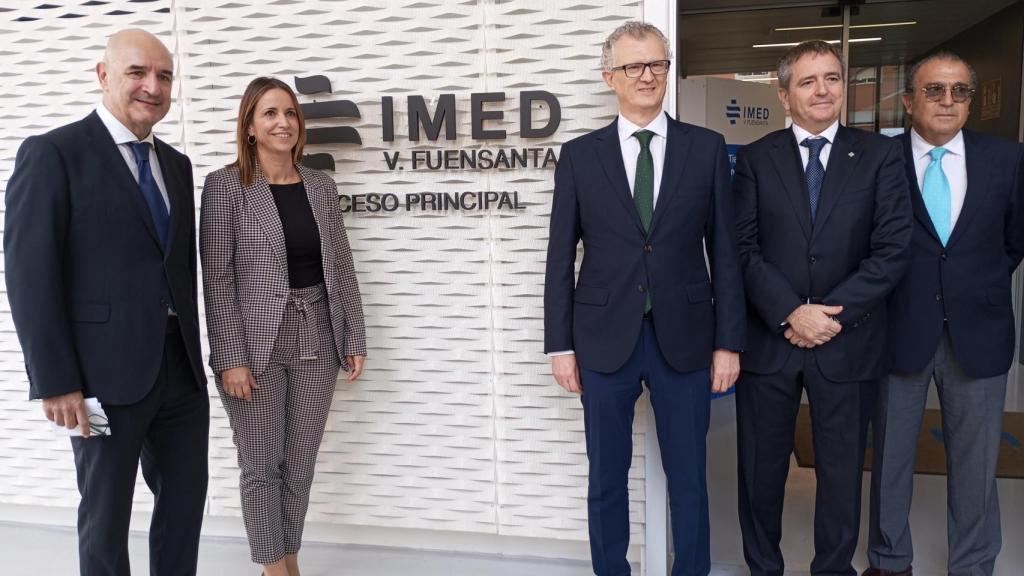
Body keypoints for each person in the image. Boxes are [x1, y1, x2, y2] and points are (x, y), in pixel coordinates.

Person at [3, 29, 209, 576]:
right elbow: (29, 274)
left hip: (181, 372)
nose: (153, 86)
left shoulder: (177, 166)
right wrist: (54, 379)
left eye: (164, 76)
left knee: (185, 510)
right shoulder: (53, 153)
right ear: (103, 75)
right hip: (100, 377)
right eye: (138, 72)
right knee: (105, 519)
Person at [543, 21, 745, 576]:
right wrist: (559, 346)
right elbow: (560, 256)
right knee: (606, 477)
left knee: (689, 478)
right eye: (633, 66)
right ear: (610, 77)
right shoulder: (580, 156)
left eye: (657, 63)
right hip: (603, 341)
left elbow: (725, 253)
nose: (647, 75)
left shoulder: (705, 149)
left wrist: (729, 342)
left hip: (687, 340)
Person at [732, 40, 913, 576]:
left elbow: (893, 249)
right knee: (760, 473)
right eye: (808, 81)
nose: (823, 90)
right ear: (784, 94)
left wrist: (828, 316)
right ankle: (763, 566)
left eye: (832, 78)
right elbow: (742, 248)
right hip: (772, 341)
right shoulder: (756, 158)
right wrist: (791, 311)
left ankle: (833, 568)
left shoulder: (880, 155)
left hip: (848, 342)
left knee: (839, 474)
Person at [864, 52, 1024, 576]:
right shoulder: (877, 160)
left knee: (976, 464)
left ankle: (974, 565)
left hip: (977, 331)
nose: (948, 101)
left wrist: (969, 285)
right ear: (909, 101)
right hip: (898, 330)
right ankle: (890, 561)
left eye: (960, 91)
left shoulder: (1008, 160)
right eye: (934, 90)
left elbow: (1013, 242)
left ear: (971, 101)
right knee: (890, 459)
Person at [200, 76, 366, 576]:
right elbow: (217, 280)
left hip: (318, 332)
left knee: (299, 463)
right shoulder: (225, 187)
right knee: (260, 465)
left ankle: (289, 562)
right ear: (249, 127)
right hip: (253, 345)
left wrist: (353, 335)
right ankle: (275, 569)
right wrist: (230, 357)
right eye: (270, 113)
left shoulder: (320, 186)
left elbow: (340, 265)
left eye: (290, 113)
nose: (283, 123)